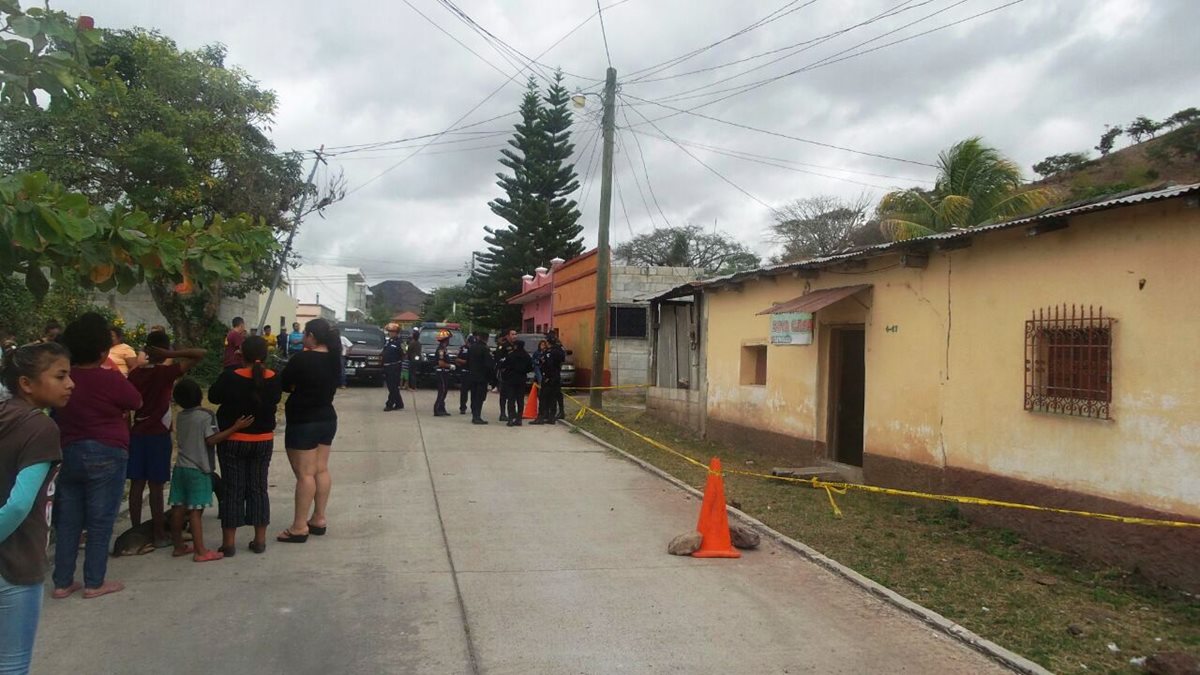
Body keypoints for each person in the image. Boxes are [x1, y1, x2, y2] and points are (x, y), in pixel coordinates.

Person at [53, 312, 142, 600]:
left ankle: (62, 582)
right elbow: (135, 401)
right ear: (104, 350)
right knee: (100, 520)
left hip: (67, 451)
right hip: (107, 450)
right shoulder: (108, 378)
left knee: (68, 519)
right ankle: (94, 582)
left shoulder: (63, 379)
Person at [0, 342, 72, 673]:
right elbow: (17, 508)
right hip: (16, 562)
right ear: (26, 383)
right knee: (12, 666)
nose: (71, 384)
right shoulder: (41, 428)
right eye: (60, 376)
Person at [126, 331, 206, 547]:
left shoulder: (134, 375)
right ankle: (159, 532)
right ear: (162, 350)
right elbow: (200, 354)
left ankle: (136, 528)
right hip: (158, 434)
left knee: (136, 484)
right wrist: (173, 353)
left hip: (138, 431)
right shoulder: (165, 373)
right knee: (156, 487)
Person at [207, 336, 282, 556]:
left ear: (242, 354)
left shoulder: (230, 376)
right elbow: (275, 399)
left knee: (233, 489)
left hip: (233, 440)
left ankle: (228, 544)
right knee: (258, 488)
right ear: (265, 355)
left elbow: (213, 396)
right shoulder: (274, 378)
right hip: (263, 441)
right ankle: (259, 541)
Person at [169, 379, 252, 563]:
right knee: (196, 512)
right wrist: (235, 428)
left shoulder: (181, 416)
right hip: (199, 469)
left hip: (181, 466)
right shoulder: (206, 416)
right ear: (200, 395)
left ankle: (178, 546)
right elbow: (211, 440)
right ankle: (200, 551)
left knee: (178, 508)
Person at [278, 319, 340, 543]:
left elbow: (285, 383)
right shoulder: (334, 359)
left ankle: (298, 526)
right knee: (321, 470)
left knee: (304, 474)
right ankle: (318, 518)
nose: (303, 337)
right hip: (327, 418)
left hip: (303, 420)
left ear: (312, 335)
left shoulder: (302, 358)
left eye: (305, 333)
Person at [461, 331, 495, 425]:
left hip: (472, 376)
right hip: (482, 377)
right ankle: (477, 416)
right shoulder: (485, 349)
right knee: (480, 398)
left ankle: (474, 415)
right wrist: (492, 378)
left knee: (473, 396)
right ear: (487, 339)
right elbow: (489, 364)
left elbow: (467, 362)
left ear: (479, 337)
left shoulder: (472, 348)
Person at [532, 335, 566, 426]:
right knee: (553, 398)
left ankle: (541, 417)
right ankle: (551, 417)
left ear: (548, 343)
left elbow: (548, 365)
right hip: (556, 377)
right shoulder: (559, 351)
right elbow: (562, 359)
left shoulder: (549, 352)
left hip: (548, 378)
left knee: (543, 397)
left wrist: (546, 377)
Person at [500, 340, 533, 427]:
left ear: (516, 346)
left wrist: (507, 374)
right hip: (521, 379)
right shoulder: (526, 356)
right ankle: (519, 419)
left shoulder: (511, 355)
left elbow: (504, 366)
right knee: (520, 400)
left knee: (511, 399)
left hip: (511, 380)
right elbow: (530, 367)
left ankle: (511, 419)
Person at [381, 323, 405, 412]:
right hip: (387, 366)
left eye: (392, 331)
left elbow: (404, 354)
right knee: (391, 386)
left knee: (393, 386)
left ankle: (389, 404)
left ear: (396, 332)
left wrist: (398, 364)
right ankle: (399, 403)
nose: (390, 333)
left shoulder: (400, 342)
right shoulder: (389, 341)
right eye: (389, 331)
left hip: (394, 366)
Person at [494, 329, 516, 421]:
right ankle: (502, 414)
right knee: (503, 394)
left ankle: (512, 412)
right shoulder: (502, 346)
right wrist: (502, 368)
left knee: (513, 394)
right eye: (512, 334)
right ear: (507, 336)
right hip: (504, 373)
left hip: (513, 373)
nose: (515, 336)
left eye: (515, 334)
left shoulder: (516, 346)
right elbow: (498, 359)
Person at [432, 330, 453, 417]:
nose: (449, 341)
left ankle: (442, 408)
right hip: (441, 372)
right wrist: (450, 366)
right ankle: (437, 409)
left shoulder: (444, 349)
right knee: (442, 391)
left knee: (444, 391)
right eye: (448, 339)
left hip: (445, 373)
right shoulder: (441, 349)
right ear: (445, 340)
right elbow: (441, 363)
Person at [455, 335, 473, 415]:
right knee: (464, 391)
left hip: (473, 372)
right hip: (464, 372)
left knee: (474, 392)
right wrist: (463, 362)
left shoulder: (474, 349)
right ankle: (463, 407)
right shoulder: (463, 348)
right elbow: (457, 359)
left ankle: (474, 407)